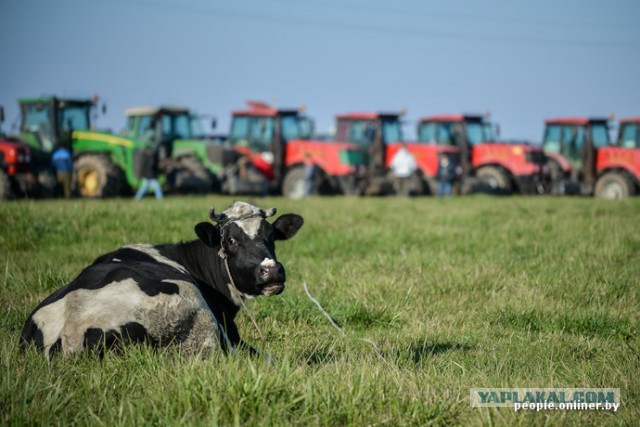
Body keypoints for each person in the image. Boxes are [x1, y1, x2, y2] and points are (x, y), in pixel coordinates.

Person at [134, 120, 163, 200]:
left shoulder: (146, 136)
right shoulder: (153, 135)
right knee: (153, 185)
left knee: (146, 185)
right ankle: (160, 198)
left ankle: (137, 198)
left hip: (148, 172)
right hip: (150, 173)